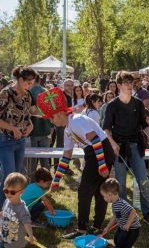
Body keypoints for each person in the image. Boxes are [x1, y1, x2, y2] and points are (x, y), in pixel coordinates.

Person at [36, 87, 115, 239]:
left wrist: (102, 165)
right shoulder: (67, 129)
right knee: (99, 190)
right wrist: (56, 180)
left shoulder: (77, 120)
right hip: (94, 152)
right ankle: (95, 227)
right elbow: (66, 156)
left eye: (52, 118)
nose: (51, 122)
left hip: (100, 150)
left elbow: (96, 140)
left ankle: (82, 229)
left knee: (85, 190)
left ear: (60, 113)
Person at [103, 71, 149, 225]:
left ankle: (147, 213)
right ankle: (122, 214)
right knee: (120, 183)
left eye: (131, 82)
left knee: (143, 180)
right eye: (126, 83)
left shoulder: (138, 103)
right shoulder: (112, 105)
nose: (129, 86)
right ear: (119, 85)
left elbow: (144, 124)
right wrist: (113, 143)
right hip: (119, 147)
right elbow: (106, 128)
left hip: (136, 145)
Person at [0, 65, 38, 208]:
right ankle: (2, 211)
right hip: (5, 140)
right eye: (28, 83)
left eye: (32, 83)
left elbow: (28, 115)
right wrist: (13, 129)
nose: (30, 86)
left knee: (17, 177)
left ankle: (13, 208)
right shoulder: (5, 94)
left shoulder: (28, 95)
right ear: (20, 79)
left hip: (21, 141)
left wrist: (31, 125)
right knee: (8, 177)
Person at [100, 178, 140, 248]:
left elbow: (133, 212)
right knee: (116, 240)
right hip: (123, 226)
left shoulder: (120, 204)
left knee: (123, 244)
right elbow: (115, 216)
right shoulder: (115, 204)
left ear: (109, 194)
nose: (104, 198)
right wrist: (108, 227)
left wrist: (128, 224)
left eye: (104, 196)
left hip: (132, 229)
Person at [0, 172, 36, 247]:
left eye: (12, 192)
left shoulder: (22, 208)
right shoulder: (7, 201)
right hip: (5, 236)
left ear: (21, 192)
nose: (8, 194)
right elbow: (3, 213)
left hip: (15, 242)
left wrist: (30, 235)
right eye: (6, 191)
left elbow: (27, 222)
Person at [29, 74, 53, 180]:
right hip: (46, 129)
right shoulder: (47, 92)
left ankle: (32, 183)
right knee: (45, 160)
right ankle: (46, 182)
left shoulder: (29, 91)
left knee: (32, 161)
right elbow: (53, 111)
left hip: (33, 130)